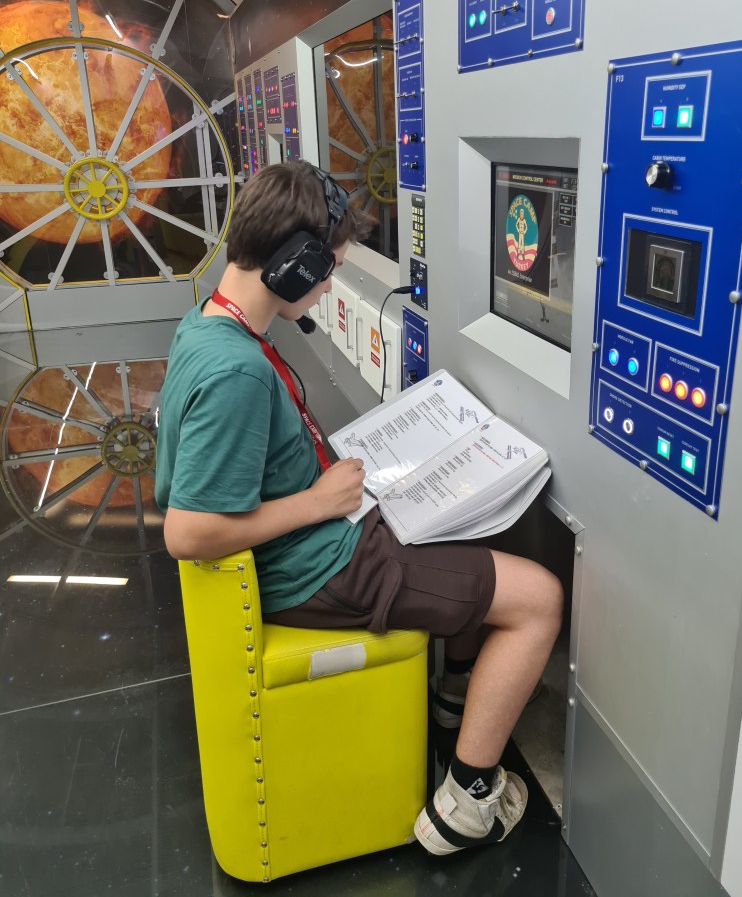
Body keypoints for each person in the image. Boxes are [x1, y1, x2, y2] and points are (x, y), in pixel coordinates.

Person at [155, 160, 563, 857]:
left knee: (469, 536)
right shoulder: (236, 372)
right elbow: (188, 533)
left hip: (318, 541)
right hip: (316, 568)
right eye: (328, 272)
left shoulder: (210, 326)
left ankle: (454, 702)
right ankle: (467, 804)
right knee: (539, 598)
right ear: (295, 266)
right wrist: (318, 501)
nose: (326, 288)